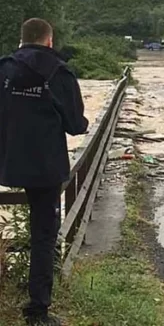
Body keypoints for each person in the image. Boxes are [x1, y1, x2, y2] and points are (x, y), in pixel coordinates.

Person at [0, 18, 89, 326]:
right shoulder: (59, 72)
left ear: (21, 40)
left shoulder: (4, 68)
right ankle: (37, 311)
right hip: (45, 168)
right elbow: (76, 125)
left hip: (7, 161)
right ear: (49, 41)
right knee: (42, 237)